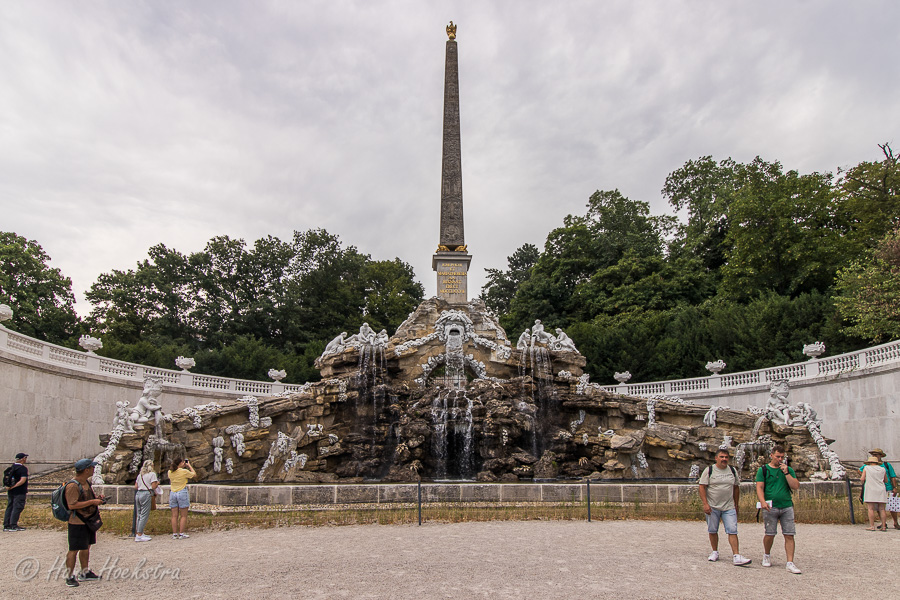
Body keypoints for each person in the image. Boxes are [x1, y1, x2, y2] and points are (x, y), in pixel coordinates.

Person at [698, 448, 751, 566]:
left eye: (726, 457)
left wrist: (736, 504)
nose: (724, 459)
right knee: (712, 530)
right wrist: (705, 504)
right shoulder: (709, 470)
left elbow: (736, 487)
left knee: (732, 530)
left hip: (729, 506)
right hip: (713, 506)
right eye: (721, 457)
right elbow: (702, 487)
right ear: (716, 458)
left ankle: (736, 555)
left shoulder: (732, 470)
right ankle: (715, 551)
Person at [755, 445, 801, 574]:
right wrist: (762, 501)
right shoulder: (763, 470)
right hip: (770, 506)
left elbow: (795, 486)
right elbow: (759, 487)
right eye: (777, 456)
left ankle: (790, 562)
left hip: (786, 505)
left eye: (782, 457)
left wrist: (786, 473)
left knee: (789, 534)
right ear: (771, 456)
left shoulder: (788, 470)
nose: (780, 459)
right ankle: (767, 554)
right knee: (770, 533)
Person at [64, 458, 106, 587]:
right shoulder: (73, 486)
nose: (94, 469)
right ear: (86, 470)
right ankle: (69, 576)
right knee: (74, 549)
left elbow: (85, 499)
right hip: (77, 522)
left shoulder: (86, 483)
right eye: (92, 467)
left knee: (86, 546)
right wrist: (92, 502)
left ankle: (85, 571)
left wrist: (97, 499)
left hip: (88, 520)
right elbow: (72, 505)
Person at [858, 448, 898, 529]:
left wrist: (894, 487)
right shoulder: (871, 467)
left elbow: (892, 476)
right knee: (880, 507)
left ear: (880, 456)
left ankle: (895, 522)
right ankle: (884, 523)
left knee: (891, 506)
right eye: (873, 455)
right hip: (882, 487)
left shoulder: (886, 465)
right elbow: (859, 470)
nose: (874, 456)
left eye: (876, 455)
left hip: (886, 487)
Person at [168, 457, 196, 539]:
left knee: (174, 515)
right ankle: (181, 533)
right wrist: (189, 465)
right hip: (182, 492)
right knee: (183, 515)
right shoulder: (184, 471)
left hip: (173, 492)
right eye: (183, 462)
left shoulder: (170, 472)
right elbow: (194, 474)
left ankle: (174, 534)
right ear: (180, 463)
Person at [134, 459, 159, 542]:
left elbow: (136, 486)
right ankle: (139, 534)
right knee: (144, 514)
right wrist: (157, 483)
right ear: (151, 466)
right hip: (146, 494)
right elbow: (153, 486)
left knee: (139, 514)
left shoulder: (140, 475)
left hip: (138, 494)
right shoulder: (152, 474)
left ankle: (139, 532)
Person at [860, 455, 888, 531]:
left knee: (870, 508)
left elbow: (862, 478)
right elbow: (886, 480)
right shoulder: (882, 469)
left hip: (871, 489)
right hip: (881, 489)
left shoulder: (867, 468)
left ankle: (872, 526)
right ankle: (884, 526)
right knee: (882, 508)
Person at [3, 452, 28, 532]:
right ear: (22, 459)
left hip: (10, 491)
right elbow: (23, 480)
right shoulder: (23, 469)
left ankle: (6, 525)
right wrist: (15, 486)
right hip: (19, 491)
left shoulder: (11, 468)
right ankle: (13, 525)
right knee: (17, 507)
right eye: (25, 458)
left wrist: (10, 487)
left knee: (10, 507)